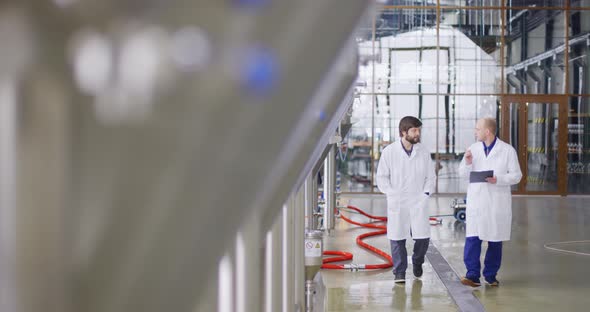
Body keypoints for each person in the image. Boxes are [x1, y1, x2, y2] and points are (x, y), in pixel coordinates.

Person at [459, 117, 522, 287]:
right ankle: (472, 275)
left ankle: (491, 275)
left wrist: (498, 179)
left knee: (495, 240)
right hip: (477, 202)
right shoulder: (473, 149)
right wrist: (467, 162)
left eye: (477, 129)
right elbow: (463, 174)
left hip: (496, 202)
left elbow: (517, 175)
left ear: (487, 131)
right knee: (473, 238)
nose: (475, 132)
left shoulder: (507, 150)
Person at [376, 116, 435, 283]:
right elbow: (381, 177)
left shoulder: (423, 151)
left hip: (418, 201)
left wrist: (425, 194)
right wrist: (391, 193)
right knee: (397, 237)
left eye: (419, 130)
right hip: (398, 200)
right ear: (404, 132)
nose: (417, 134)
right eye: (414, 130)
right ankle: (399, 272)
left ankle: (417, 261)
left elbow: (431, 177)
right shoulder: (389, 152)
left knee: (423, 237)